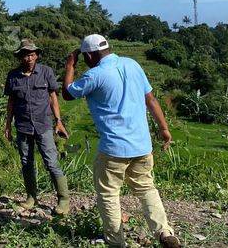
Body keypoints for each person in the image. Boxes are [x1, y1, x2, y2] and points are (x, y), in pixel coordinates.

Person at [62, 34, 181, 248]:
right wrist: (164, 129)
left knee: (108, 194)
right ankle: (164, 232)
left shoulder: (94, 75)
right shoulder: (132, 64)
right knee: (146, 188)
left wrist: (70, 66)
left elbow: (68, 94)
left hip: (113, 148)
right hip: (142, 145)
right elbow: (150, 99)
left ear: (89, 55)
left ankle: (116, 242)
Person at [4, 39, 71, 215]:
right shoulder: (13, 75)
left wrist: (59, 121)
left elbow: (53, 97)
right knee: (26, 162)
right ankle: (31, 197)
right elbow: (11, 102)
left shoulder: (46, 72)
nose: (29, 58)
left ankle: (63, 199)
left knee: (51, 162)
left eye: (32, 54)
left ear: (37, 56)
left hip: (44, 125)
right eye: (26, 55)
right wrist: (7, 125)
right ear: (20, 57)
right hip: (23, 125)